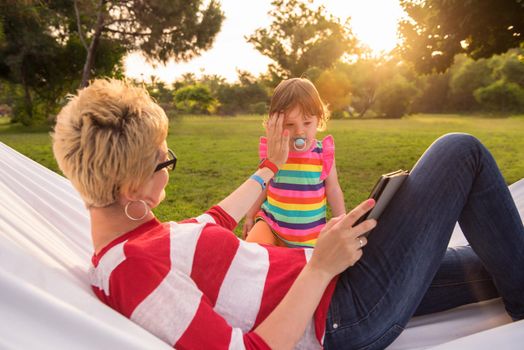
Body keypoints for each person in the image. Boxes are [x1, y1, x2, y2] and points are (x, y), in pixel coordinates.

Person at [52, 79, 524, 350]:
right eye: (164, 159)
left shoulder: (142, 238)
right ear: (131, 185)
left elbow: (216, 219)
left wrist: (269, 168)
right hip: (342, 312)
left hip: (341, 282)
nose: (171, 166)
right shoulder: (133, 270)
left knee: (492, 261)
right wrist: (319, 266)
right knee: (460, 152)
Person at [243, 78, 346, 248]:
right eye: (289, 124)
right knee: (251, 253)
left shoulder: (323, 153)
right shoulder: (275, 151)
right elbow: (263, 183)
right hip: (271, 225)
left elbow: (333, 188)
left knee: (298, 271)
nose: (299, 131)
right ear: (275, 124)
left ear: (319, 120)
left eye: (307, 122)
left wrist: (342, 222)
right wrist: (250, 215)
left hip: (309, 235)